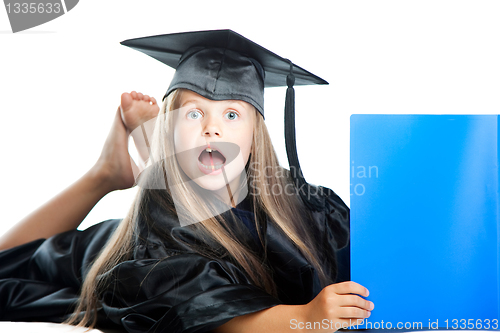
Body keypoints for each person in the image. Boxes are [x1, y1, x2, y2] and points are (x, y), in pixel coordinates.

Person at [0, 30, 373, 333]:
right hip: (114, 250)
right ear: (170, 132)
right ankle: (107, 173)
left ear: (256, 135)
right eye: (194, 113)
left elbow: (369, 252)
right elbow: (212, 310)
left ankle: (132, 167)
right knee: (8, 265)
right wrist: (305, 319)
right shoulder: (160, 242)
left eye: (231, 113)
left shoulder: (305, 204)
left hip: (204, 211)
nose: (212, 127)